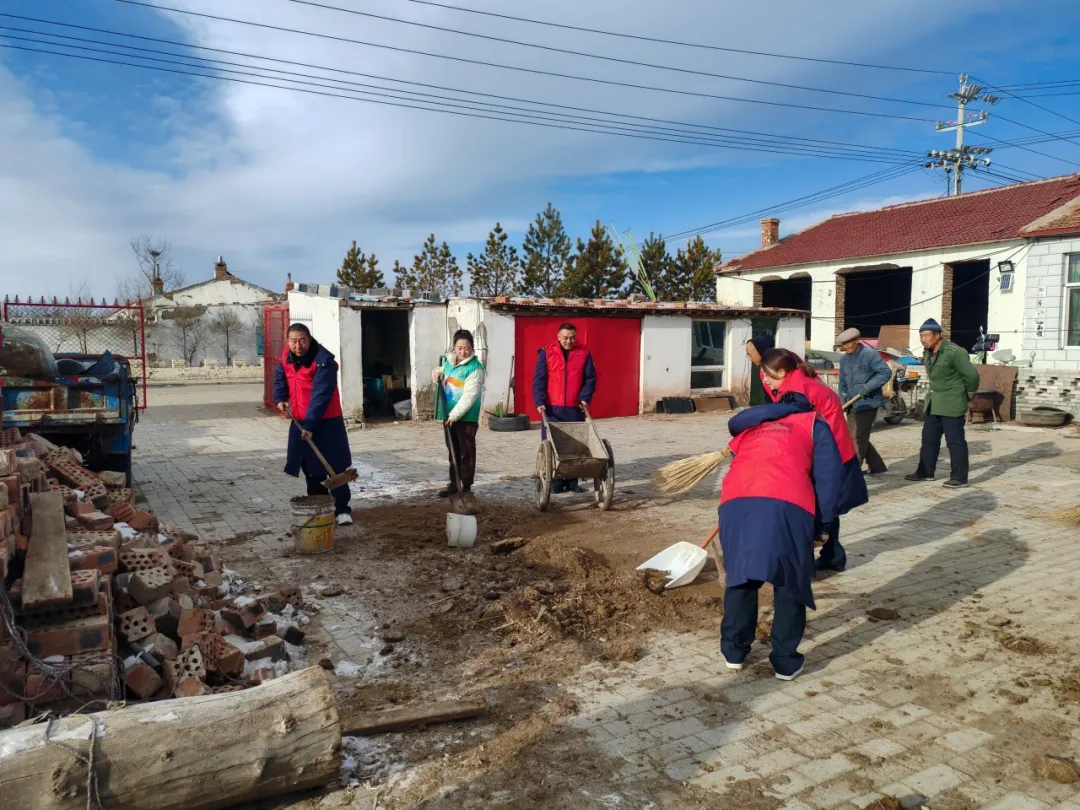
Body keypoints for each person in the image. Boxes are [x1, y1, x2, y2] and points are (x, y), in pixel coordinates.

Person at [718, 392, 844, 680]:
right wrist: (822, 525)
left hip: (735, 503)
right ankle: (785, 661)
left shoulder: (752, 426)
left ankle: (733, 651)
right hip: (788, 505)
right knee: (789, 581)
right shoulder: (814, 424)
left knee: (741, 575)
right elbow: (830, 479)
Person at [761, 348, 868, 573]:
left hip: (827, 457)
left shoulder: (797, 393)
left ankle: (804, 568)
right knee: (825, 508)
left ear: (781, 371)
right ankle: (833, 557)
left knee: (809, 510)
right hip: (836, 451)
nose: (767, 383)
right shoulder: (805, 380)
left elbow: (792, 431)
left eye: (768, 377)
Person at [273, 323, 353, 526]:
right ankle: (320, 506)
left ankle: (342, 509)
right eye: (293, 341)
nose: (298, 345)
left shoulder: (323, 361)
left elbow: (321, 395)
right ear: (288, 341)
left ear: (309, 340)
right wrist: (280, 398)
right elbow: (280, 378)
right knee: (312, 467)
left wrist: (310, 423)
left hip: (327, 422)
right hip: (300, 421)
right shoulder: (286, 357)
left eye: (302, 340)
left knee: (335, 466)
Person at [905, 318, 981, 488]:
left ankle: (959, 477)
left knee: (955, 441)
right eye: (921, 336)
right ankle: (925, 471)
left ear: (938, 335)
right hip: (934, 402)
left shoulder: (954, 352)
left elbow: (972, 376)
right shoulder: (928, 352)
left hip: (952, 402)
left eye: (926, 335)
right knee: (929, 439)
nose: (923, 339)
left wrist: (967, 396)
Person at [532, 322, 596, 493]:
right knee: (553, 445)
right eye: (566, 337)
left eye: (573, 337)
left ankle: (572, 482)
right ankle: (555, 482)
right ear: (558, 337)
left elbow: (590, 378)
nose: (569, 341)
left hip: (575, 408)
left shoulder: (584, 352)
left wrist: (584, 398)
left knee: (575, 445)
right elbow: (539, 379)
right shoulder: (547, 353)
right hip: (553, 408)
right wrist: (539, 401)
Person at [432, 329, 485, 498]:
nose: (463, 352)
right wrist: (437, 373)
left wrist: (454, 416)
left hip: (465, 418)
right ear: (454, 347)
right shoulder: (449, 361)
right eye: (460, 348)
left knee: (466, 451)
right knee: (452, 449)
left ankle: (466, 486)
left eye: (467, 348)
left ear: (472, 348)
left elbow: (470, 397)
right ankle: (454, 483)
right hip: (448, 415)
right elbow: (442, 370)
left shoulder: (475, 368)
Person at [836, 328, 892, 476]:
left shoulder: (870, 355)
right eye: (842, 345)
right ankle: (878, 466)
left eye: (846, 344)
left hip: (868, 403)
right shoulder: (844, 359)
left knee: (859, 436)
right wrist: (842, 399)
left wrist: (868, 387)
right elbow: (842, 382)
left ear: (856, 342)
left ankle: (854, 470)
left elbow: (885, 373)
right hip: (851, 403)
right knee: (854, 436)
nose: (844, 347)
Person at [745, 333, 774, 405]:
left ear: (760, 351)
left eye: (751, 354)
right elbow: (768, 397)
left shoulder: (778, 367)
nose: (750, 359)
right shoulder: (763, 371)